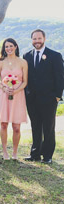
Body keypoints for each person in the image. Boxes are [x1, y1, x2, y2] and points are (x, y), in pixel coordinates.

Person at [23, 29, 64, 164]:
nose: (37, 41)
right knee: (35, 126)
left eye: (39, 38)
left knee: (48, 127)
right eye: (34, 39)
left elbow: (60, 77)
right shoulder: (27, 56)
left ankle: (47, 156)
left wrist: (58, 96)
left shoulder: (55, 55)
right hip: (32, 98)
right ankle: (35, 154)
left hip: (49, 98)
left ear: (44, 39)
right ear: (32, 40)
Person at [0, 38, 28, 160]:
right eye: (6, 47)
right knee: (3, 124)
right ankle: (4, 152)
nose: (8, 48)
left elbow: (25, 82)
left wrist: (16, 90)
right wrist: (4, 88)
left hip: (18, 96)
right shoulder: (0, 62)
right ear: (4, 49)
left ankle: (14, 152)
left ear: (15, 47)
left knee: (16, 127)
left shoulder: (23, 62)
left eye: (10, 46)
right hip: (4, 95)